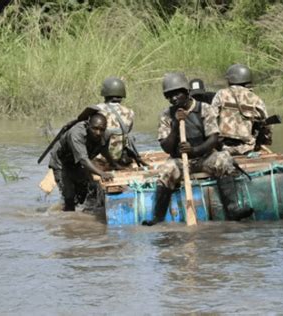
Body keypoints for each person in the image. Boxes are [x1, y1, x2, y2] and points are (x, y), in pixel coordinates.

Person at [142, 72, 253, 226]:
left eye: (177, 94)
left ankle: (232, 208)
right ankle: (157, 216)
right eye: (169, 96)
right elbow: (166, 147)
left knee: (223, 159)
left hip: (204, 157)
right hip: (179, 160)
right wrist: (175, 126)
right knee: (166, 170)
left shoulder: (204, 109)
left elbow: (213, 138)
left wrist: (194, 150)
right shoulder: (167, 115)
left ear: (187, 92)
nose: (174, 99)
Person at [48, 113, 118, 212]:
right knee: (69, 197)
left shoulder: (105, 134)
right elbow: (83, 159)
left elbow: (104, 150)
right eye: (95, 128)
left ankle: (81, 219)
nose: (98, 133)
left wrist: (113, 163)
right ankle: (68, 220)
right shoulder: (76, 134)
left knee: (84, 192)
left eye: (102, 129)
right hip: (62, 162)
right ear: (88, 125)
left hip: (77, 162)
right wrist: (102, 173)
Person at [211, 64, 272, 155]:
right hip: (247, 148)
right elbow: (267, 125)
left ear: (230, 80)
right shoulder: (255, 99)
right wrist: (263, 142)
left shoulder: (221, 94)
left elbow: (211, 118)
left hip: (223, 147)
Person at [94, 76, 135, 166]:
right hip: (119, 159)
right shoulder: (130, 112)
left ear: (104, 93)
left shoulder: (96, 109)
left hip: (102, 160)